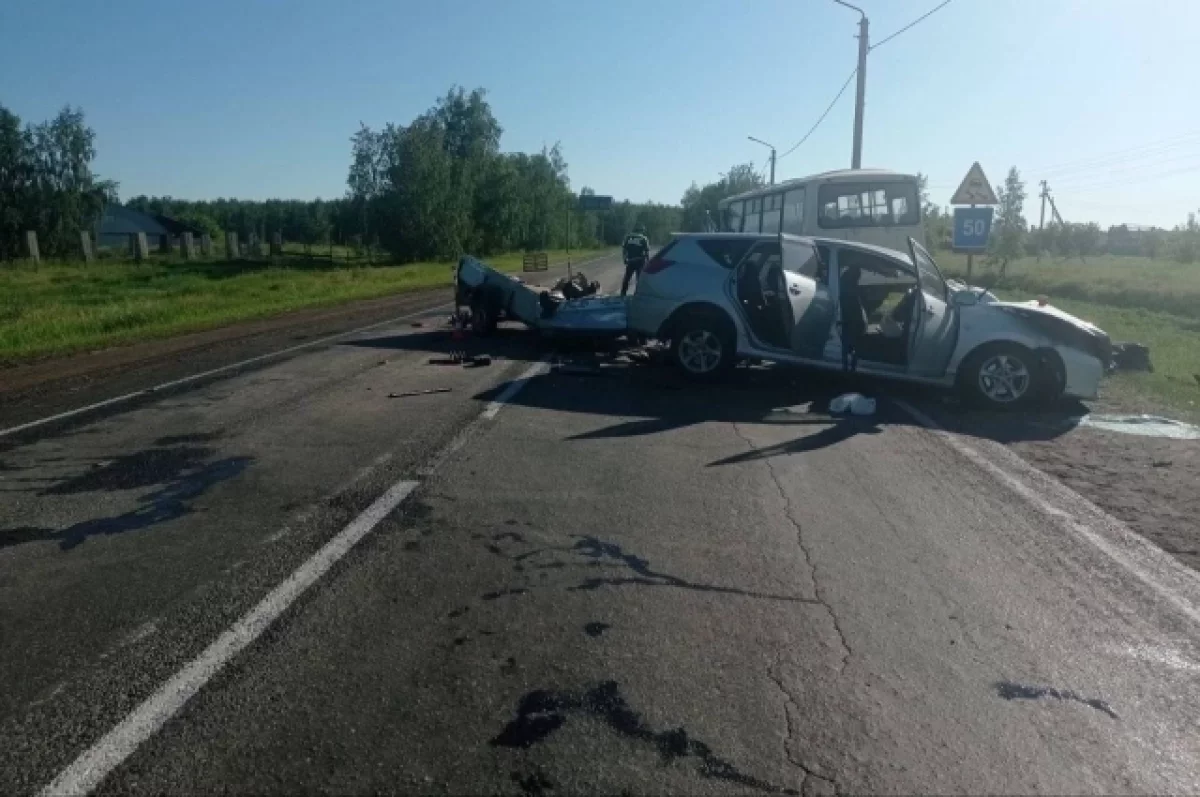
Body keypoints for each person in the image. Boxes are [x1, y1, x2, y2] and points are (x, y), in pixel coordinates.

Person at [839, 260, 865, 372]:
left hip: (848, 319)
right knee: (851, 343)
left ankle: (847, 364)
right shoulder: (849, 284)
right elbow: (854, 305)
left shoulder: (846, 280)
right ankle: (849, 368)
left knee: (848, 343)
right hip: (850, 319)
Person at [620, 225, 651, 297]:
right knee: (639, 280)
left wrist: (624, 259)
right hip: (640, 261)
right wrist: (648, 261)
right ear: (641, 230)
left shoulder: (628, 237)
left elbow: (624, 250)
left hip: (630, 261)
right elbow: (646, 252)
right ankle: (638, 295)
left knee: (627, 278)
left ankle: (623, 294)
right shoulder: (644, 238)